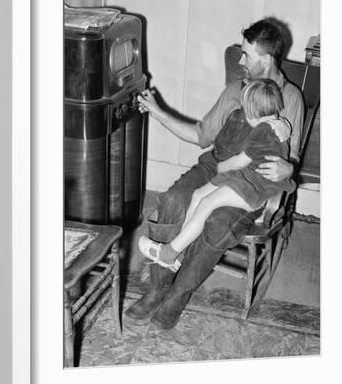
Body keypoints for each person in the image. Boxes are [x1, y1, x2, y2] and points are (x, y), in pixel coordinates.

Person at [125, 17, 304, 330]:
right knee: (174, 200)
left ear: (265, 59)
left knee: (217, 223)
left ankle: (177, 297)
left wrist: (288, 167)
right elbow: (201, 134)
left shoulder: (290, 100)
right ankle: (157, 288)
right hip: (215, 165)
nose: (240, 60)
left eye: (246, 54)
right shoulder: (236, 89)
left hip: (249, 180)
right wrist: (157, 111)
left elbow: (292, 157)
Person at [138, 78, 295, 272]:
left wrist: (221, 167)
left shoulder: (263, 132)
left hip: (252, 188)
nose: (244, 115)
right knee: (197, 195)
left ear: (254, 110)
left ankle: (169, 253)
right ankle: (179, 252)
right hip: (242, 179)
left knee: (206, 203)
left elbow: (239, 161)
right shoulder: (279, 123)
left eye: (246, 110)